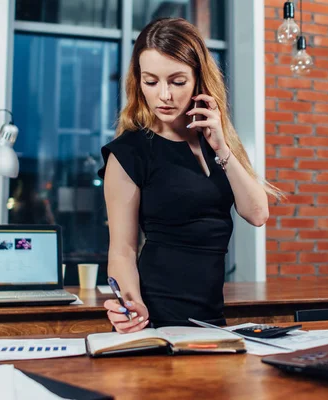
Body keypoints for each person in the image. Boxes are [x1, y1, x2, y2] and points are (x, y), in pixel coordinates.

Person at [98, 18, 282, 333]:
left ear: (198, 79)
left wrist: (222, 145)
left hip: (211, 321)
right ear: (138, 82)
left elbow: (257, 213)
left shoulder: (218, 143)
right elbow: (123, 249)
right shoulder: (129, 151)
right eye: (151, 81)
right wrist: (130, 306)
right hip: (156, 320)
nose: (164, 95)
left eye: (177, 81)